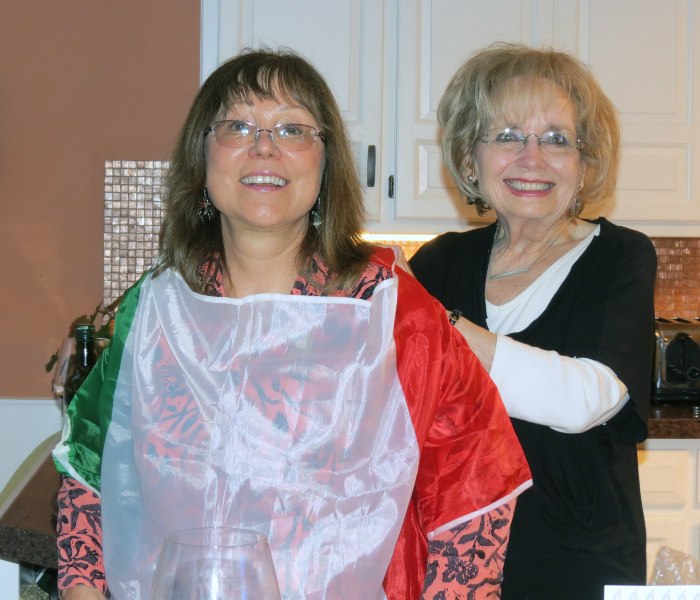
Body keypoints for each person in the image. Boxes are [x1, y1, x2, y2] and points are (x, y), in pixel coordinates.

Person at [53, 48, 531, 600]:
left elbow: (471, 495)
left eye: (293, 129)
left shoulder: (394, 315)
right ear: (202, 156)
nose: (264, 146)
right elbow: (88, 478)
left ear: (326, 164)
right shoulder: (155, 308)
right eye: (237, 125)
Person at [409, 43, 657, 599]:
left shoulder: (620, 257)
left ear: (585, 164)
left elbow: (586, 399)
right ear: (470, 160)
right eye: (507, 136)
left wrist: (436, 323)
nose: (532, 157)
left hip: (578, 563)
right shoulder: (438, 262)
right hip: (448, 558)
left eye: (556, 139)